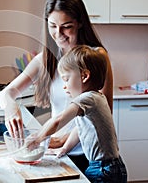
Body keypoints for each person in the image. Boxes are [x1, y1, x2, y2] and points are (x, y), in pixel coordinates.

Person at [0, 0, 113, 173]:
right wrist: (11, 108)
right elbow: (7, 93)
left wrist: (64, 139)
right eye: (52, 26)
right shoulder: (46, 59)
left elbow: (104, 110)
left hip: (87, 153)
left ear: (80, 23)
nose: (58, 34)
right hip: (56, 150)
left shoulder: (97, 56)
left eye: (66, 26)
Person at [26, 45, 127, 182]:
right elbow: (80, 130)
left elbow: (58, 120)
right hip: (106, 166)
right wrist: (64, 148)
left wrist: (38, 138)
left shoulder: (88, 98)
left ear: (84, 76)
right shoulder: (94, 98)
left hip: (103, 169)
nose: (64, 85)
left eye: (66, 79)